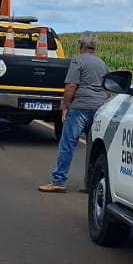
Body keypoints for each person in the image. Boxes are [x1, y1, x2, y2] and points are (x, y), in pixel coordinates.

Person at [40, 31, 108, 193]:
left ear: (81, 45)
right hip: (99, 108)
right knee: (93, 148)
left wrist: (65, 107)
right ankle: (89, 183)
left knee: (67, 143)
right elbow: (108, 90)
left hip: (80, 107)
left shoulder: (78, 61)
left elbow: (71, 86)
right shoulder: (102, 64)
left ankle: (58, 181)